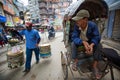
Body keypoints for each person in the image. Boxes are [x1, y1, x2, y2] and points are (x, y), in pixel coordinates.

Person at [71, 9, 101, 79]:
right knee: (73, 44)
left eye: (78, 19)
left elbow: (96, 37)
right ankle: (75, 61)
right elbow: (74, 37)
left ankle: (94, 66)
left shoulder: (93, 25)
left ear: (85, 20)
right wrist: (82, 42)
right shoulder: (76, 26)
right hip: (80, 42)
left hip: (90, 42)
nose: (76, 21)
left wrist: (92, 44)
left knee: (99, 45)